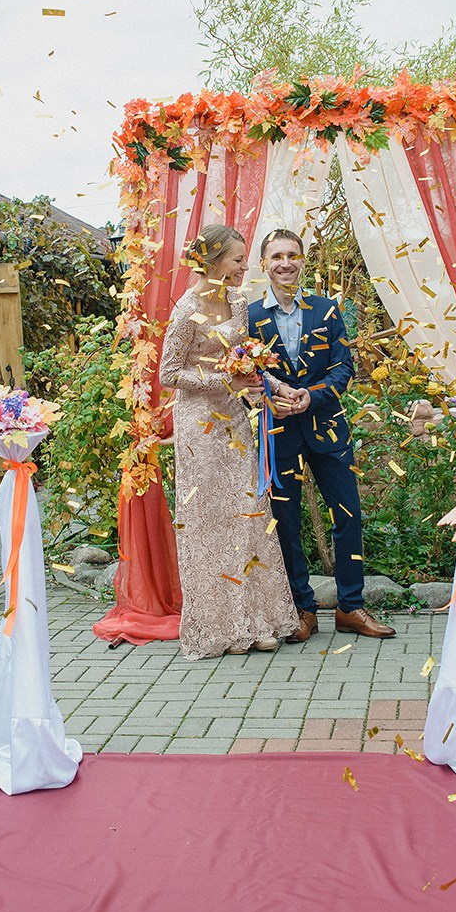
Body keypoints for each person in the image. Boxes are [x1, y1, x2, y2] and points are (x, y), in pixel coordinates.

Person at [246, 229, 395, 641]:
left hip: (328, 427)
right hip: (279, 432)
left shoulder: (327, 310)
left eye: (292, 255)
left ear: (302, 260)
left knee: (348, 515)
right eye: (277, 256)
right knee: (285, 523)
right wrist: (268, 397)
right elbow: (245, 373)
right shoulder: (250, 317)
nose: (285, 263)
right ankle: (302, 609)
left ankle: (350, 607)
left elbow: (344, 367)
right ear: (264, 263)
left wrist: (312, 396)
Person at [160, 225, 299, 659]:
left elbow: (246, 364)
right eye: (238, 259)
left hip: (235, 424)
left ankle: (255, 621)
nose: (244, 267)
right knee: (209, 522)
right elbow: (168, 374)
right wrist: (225, 382)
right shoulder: (186, 310)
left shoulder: (238, 302)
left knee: (247, 515)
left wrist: (277, 386)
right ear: (214, 260)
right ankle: (220, 627)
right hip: (198, 429)